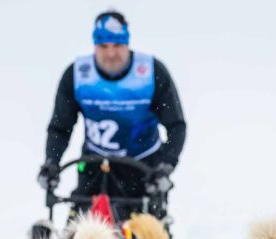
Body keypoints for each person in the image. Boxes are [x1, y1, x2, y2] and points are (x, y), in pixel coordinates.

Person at [38, 10, 186, 225]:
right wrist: (52, 162)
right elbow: (60, 127)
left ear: (127, 43)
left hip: (143, 168)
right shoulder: (77, 75)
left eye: (117, 45)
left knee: (144, 234)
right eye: (103, 46)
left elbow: (176, 126)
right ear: (95, 45)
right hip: (94, 165)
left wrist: (166, 166)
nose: (110, 54)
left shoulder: (151, 72)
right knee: (78, 230)